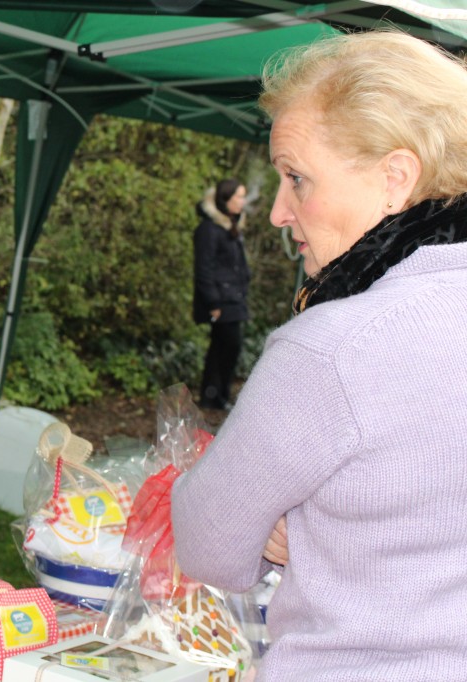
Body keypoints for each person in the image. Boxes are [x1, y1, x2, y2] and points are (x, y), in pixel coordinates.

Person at [171, 29, 467, 681]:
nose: (278, 212)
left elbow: (208, 544)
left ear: (396, 178)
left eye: (297, 179)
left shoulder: (335, 350)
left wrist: (296, 525)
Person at [192, 178, 250, 410]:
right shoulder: (208, 229)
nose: (243, 202)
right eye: (239, 196)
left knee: (224, 348)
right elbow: (204, 269)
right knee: (227, 346)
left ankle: (217, 398)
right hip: (222, 300)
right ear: (225, 199)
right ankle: (213, 397)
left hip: (235, 299)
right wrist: (213, 301)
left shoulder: (231, 226)